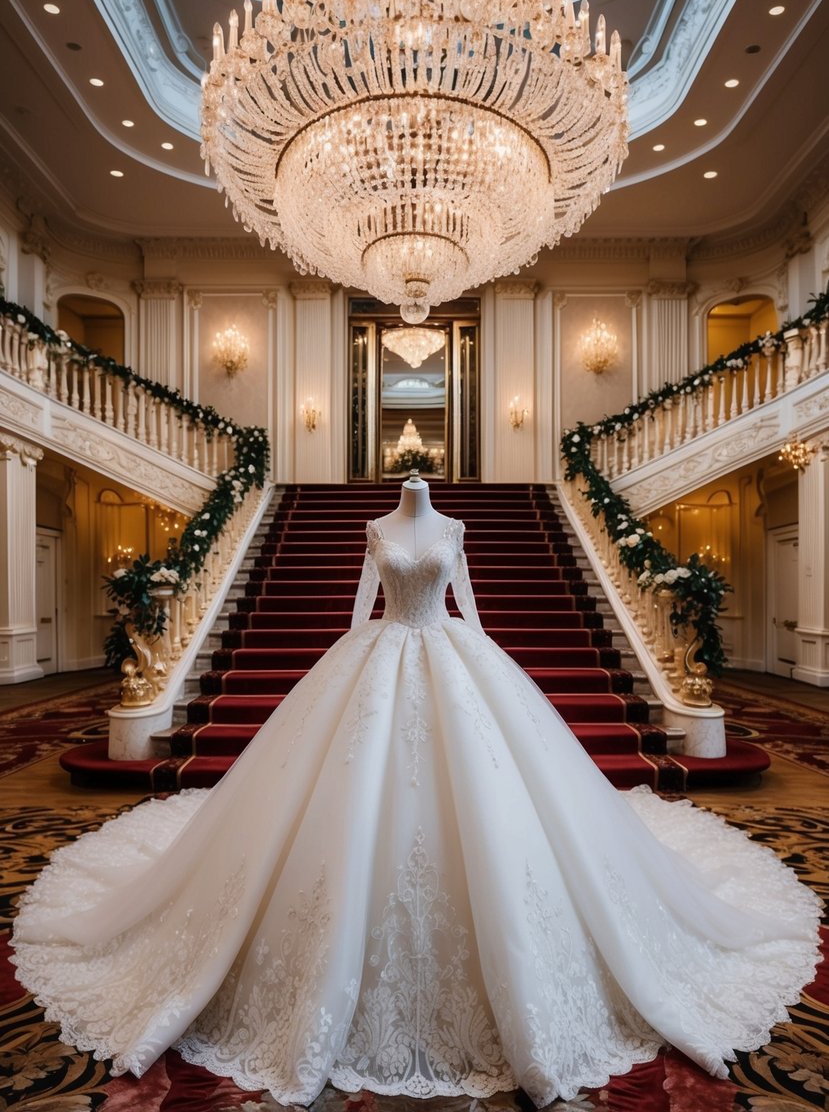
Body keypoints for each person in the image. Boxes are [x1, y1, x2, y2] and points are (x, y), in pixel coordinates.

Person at [11, 473, 821, 1109]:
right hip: (378, 657)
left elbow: (463, 600)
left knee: (496, 808)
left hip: (451, 654)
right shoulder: (376, 529)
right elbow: (365, 603)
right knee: (347, 807)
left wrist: (488, 665)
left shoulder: (454, 529)